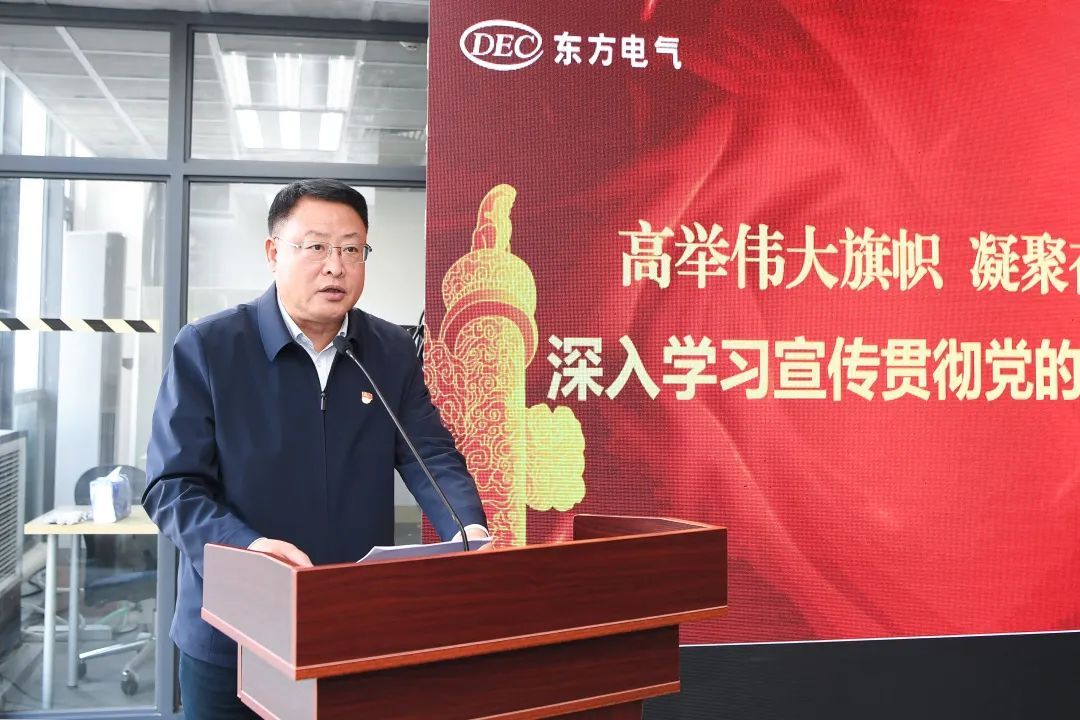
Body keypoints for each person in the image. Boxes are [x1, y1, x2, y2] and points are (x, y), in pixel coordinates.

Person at [143, 179, 489, 719]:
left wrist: (467, 530)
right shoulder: (210, 346)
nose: (336, 266)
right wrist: (249, 548)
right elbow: (172, 486)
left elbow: (431, 456)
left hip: (350, 627)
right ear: (273, 252)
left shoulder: (389, 351)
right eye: (316, 247)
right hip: (232, 634)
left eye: (352, 249)